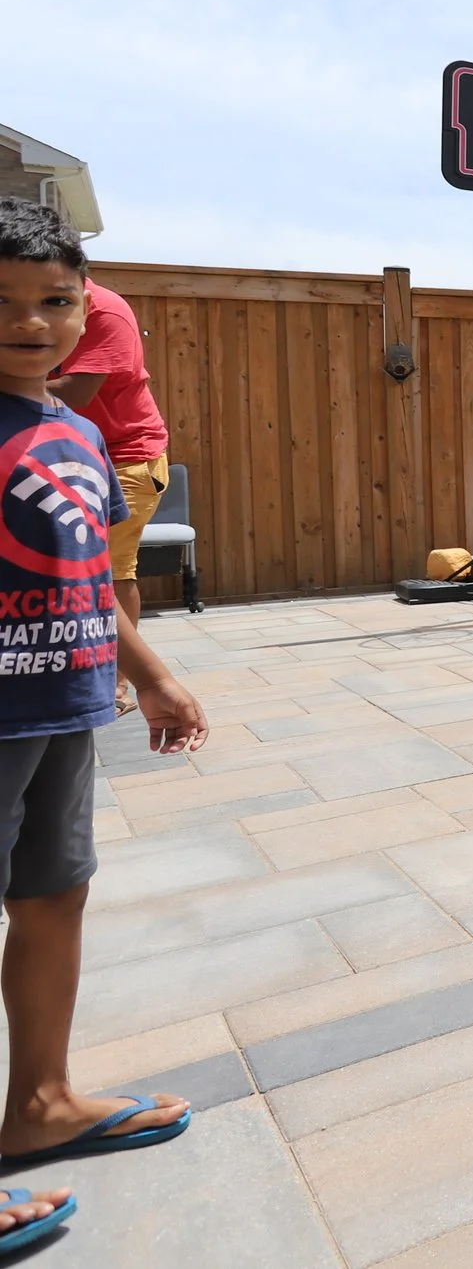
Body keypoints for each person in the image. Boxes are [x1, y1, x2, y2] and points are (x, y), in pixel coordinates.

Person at [0, 201, 208, 1253]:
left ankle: (37, 1101)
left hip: (64, 702)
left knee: (53, 895)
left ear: (88, 310)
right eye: (1, 302)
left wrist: (154, 676)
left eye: (52, 300)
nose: (30, 321)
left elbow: (88, 579)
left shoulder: (77, 430)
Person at [48, 270, 169, 707]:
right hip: (74, 454)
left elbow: (77, 391)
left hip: (126, 460)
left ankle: (120, 682)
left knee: (112, 571)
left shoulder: (106, 310)